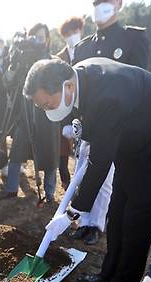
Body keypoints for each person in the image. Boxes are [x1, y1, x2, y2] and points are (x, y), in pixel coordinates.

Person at [24, 59, 151, 282]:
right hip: (136, 142)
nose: (46, 110)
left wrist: (71, 213)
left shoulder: (107, 94)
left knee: (136, 222)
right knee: (116, 214)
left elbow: (100, 161)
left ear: (67, 87)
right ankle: (107, 275)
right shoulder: (81, 78)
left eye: (46, 103)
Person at [68, 0, 150, 245]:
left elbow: (140, 82)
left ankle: (95, 223)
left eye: (107, 2)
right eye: (97, 2)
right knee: (82, 171)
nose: (101, 6)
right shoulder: (84, 47)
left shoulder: (133, 39)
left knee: (105, 176)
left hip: (117, 123)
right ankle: (82, 220)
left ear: (118, 4)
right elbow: (75, 87)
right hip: (89, 123)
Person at [0, 23, 61, 204]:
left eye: (41, 38)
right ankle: (11, 189)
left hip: (48, 115)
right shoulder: (22, 62)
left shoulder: (53, 61)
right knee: (17, 150)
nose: (37, 42)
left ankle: (49, 195)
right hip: (24, 115)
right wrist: (14, 63)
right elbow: (7, 83)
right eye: (34, 38)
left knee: (51, 154)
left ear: (48, 40)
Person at [56, 16, 86, 190]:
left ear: (81, 30)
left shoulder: (91, 49)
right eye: (67, 33)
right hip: (66, 109)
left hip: (86, 107)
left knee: (84, 148)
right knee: (63, 148)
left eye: (75, 31)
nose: (72, 35)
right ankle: (66, 180)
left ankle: (83, 182)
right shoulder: (59, 58)